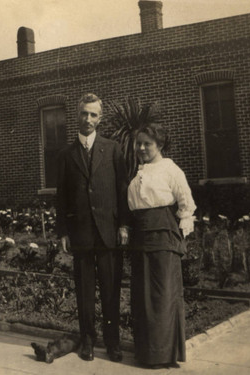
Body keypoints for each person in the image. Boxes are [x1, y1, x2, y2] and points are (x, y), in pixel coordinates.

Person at [56, 93, 130, 362]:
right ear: (77, 116)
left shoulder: (112, 149)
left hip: (109, 231)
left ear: (100, 118)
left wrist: (123, 225)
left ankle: (113, 343)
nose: (88, 119)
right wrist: (63, 231)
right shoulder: (66, 155)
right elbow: (61, 196)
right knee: (84, 290)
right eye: (84, 113)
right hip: (81, 233)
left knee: (111, 289)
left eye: (93, 114)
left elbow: (122, 190)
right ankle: (87, 340)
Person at [127, 122, 196, 369]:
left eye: (148, 144)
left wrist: (182, 231)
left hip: (162, 235)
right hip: (140, 236)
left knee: (162, 294)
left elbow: (186, 204)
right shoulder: (139, 170)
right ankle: (146, 352)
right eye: (139, 143)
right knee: (142, 295)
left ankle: (163, 354)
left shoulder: (170, 169)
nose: (142, 148)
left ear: (160, 145)